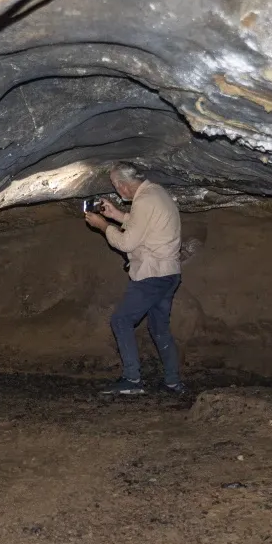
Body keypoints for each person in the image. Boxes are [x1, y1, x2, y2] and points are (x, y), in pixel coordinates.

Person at [83, 163, 185, 396]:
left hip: (152, 275)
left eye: (116, 186)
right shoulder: (157, 193)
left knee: (121, 320)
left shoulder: (144, 200)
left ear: (124, 185)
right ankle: (173, 381)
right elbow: (144, 227)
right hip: (169, 273)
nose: (117, 190)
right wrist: (117, 215)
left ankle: (132, 379)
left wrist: (104, 226)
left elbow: (127, 243)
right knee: (159, 328)